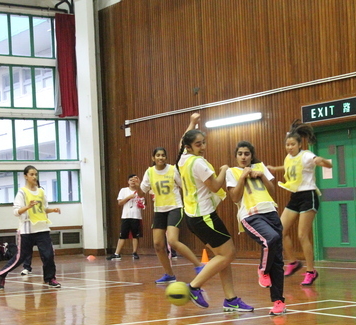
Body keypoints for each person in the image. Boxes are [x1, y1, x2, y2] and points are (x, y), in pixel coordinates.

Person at [176, 113, 253, 312]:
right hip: (205, 217)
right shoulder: (198, 163)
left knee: (222, 256)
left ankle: (231, 299)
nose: (203, 147)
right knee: (229, 253)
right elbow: (215, 185)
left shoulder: (183, 158)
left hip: (193, 217)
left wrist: (192, 123)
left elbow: (183, 140)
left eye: (203, 142)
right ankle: (194, 287)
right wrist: (224, 170)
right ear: (189, 147)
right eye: (198, 144)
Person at [269, 120, 332, 286]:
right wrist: (275, 169)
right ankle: (293, 262)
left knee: (302, 235)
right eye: (287, 144)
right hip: (295, 197)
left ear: (299, 144)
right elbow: (290, 167)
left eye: (292, 144)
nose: (289, 147)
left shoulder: (307, 155)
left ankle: (311, 271)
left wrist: (323, 161)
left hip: (308, 196)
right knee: (280, 231)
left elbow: (327, 164)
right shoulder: (289, 158)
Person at [226, 141, 286, 315]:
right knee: (270, 239)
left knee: (278, 260)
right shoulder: (232, 172)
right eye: (240, 154)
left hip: (271, 213)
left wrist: (262, 176)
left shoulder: (260, 167)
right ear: (236, 156)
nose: (243, 157)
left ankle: (278, 302)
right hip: (251, 215)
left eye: (247, 154)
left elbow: (272, 191)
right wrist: (243, 177)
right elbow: (235, 197)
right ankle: (262, 269)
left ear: (251, 156)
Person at [140, 147, 204, 284]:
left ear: (166, 157)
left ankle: (199, 265)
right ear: (153, 158)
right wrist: (141, 185)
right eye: (158, 155)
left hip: (174, 208)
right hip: (159, 210)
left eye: (163, 155)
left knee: (172, 240)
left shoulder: (172, 169)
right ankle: (169, 275)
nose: (160, 157)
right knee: (158, 244)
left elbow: (183, 185)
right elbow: (143, 188)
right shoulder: (149, 172)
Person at [0, 165, 62, 290]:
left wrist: (53, 210)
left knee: (48, 255)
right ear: (25, 176)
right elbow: (16, 212)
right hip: (27, 229)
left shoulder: (41, 192)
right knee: (20, 258)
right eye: (31, 174)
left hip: (42, 228)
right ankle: (2, 274)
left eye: (36, 174)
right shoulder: (22, 192)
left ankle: (50, 278)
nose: (34, 177)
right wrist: (28, 206)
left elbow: (43, 209)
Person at [106, 174, 145, 260]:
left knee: (135, 235)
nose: (133, 182)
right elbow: (120, 203)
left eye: (134, 180)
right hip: (126, 216)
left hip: (136, 216)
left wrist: (141, 203)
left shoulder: (140, 191)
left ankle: (135, 253)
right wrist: (129, 197)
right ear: (128, 181)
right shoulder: (123, 190)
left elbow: (143, 204)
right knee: (122, 235)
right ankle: (117, 253)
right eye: (131, 180)